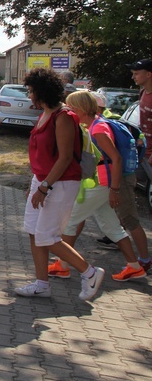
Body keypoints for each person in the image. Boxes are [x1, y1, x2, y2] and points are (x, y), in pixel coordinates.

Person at [14, 67, 104, 301]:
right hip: (42, 181)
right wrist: (35, 184)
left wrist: (45, 187)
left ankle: (90, 272)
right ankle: (42, 284)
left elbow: (64, 158)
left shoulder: (63, 116)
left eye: (31, 91)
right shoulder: (44, 113)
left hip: (61, 184)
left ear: (42, 91)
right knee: (34, 232)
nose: (29, 95)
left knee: (47, 236)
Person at [51, 91, 145, 281]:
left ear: (80, 108)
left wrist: (114, 189)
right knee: (111, 226)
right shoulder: (94, 124)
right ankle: (134, 266)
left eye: (71, 107)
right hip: (103, 183)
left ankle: (63, 265)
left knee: (70, 222)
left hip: (102, 183)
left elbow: (116, 158)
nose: (69, 110)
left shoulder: (98, 129)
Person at [125, 58, 152, 272]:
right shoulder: (144, 94)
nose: (134, 76)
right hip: (144, 154)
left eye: (137, 72)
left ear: (149, 74)